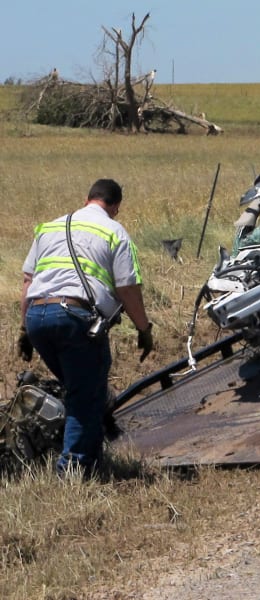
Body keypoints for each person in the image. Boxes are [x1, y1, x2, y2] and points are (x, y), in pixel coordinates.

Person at [17, 178, 154, 477]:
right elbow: (128, 287)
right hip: (75, 319)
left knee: (81, 389)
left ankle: (91, 457)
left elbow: (28, 281)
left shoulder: (51, 227)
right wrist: (144, 330)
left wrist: (25, 331)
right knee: (85, 395)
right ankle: (75, 472)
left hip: (37, 317)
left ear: (86, 199)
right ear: (116, 207)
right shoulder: (115, 231)